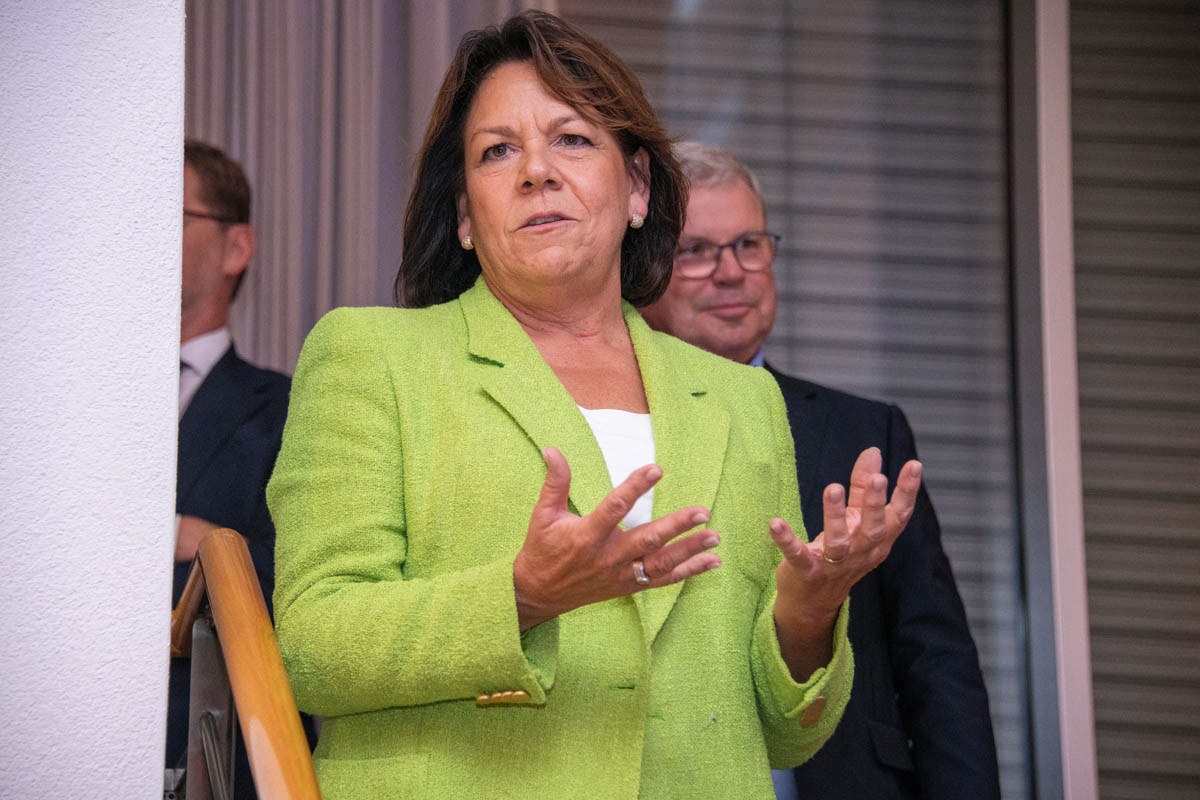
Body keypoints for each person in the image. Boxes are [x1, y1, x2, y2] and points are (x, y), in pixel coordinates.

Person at [267, 12, 922, 799]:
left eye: (572, 139)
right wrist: (523, 596)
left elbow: (785, 734)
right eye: (497, 151)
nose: (536, 171)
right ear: (466, 215)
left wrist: (810, 610)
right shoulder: (372, 357)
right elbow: (312, 648)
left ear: (638, 187)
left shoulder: (743, 398)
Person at [640, 141, 1001, 800]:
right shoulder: (613, 430)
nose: (731, 272)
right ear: (643, 272)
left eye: (748, 244)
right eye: (696, 251)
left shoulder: (867, 433)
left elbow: (935, 655)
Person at [167, 139, 292, 796]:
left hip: (215, 756)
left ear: (236, 248)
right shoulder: (73, 407)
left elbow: (310, 583)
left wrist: (207, 545)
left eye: (171, 214)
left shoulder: (289, 408)